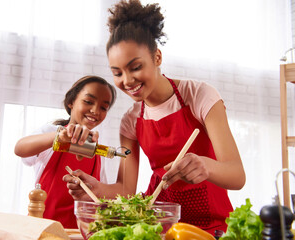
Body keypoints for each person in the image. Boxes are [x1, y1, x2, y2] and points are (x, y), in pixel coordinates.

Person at [63, 0, 246, 235]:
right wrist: (95, 187)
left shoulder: (199, 96)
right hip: (159, 227)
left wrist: (206, 166)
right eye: (117, 73)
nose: (127, 81)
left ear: (157, 57)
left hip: (209, 228)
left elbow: (237, 175)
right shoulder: (131, 120)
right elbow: (126, 189)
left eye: (135, 67)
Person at [14, 75, 116, 229]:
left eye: (103, 107)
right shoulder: (53, 132)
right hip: (42, 230)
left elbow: (100, 198)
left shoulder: (98, 150)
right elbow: (20, 148)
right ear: (71, 102)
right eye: (88, 102)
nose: (95, 110)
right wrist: (60, 137)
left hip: (80, 233)